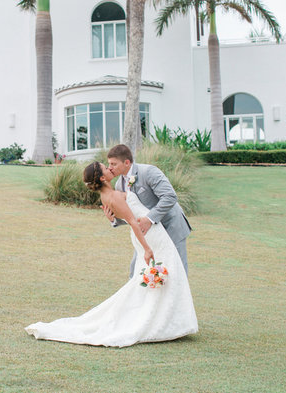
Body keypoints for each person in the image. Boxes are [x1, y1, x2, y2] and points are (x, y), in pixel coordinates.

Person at [24, 162, 197, 347]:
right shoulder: (113, 196)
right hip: (150, 237)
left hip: (152, 232)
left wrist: (115, 219)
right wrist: (147, 249)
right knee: (161, 274)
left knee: (167, 274)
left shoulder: (110, 194)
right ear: (102, 177)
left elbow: (131, 214)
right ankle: (160, 321)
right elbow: (133, 222)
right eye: (105, 167)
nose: (109, 168)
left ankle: (169, 319)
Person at [104, 144, 191, 277]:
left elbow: (170, 196)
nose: (110, 168)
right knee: (136, 270)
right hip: (149, 234)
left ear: (126, 162)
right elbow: (132, 215)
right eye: (109, 164)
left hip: (171, 226)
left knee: (176, 269)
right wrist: (115, 220)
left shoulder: (149, 172)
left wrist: (149, 219)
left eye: (113, 164)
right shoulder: (119, 185)